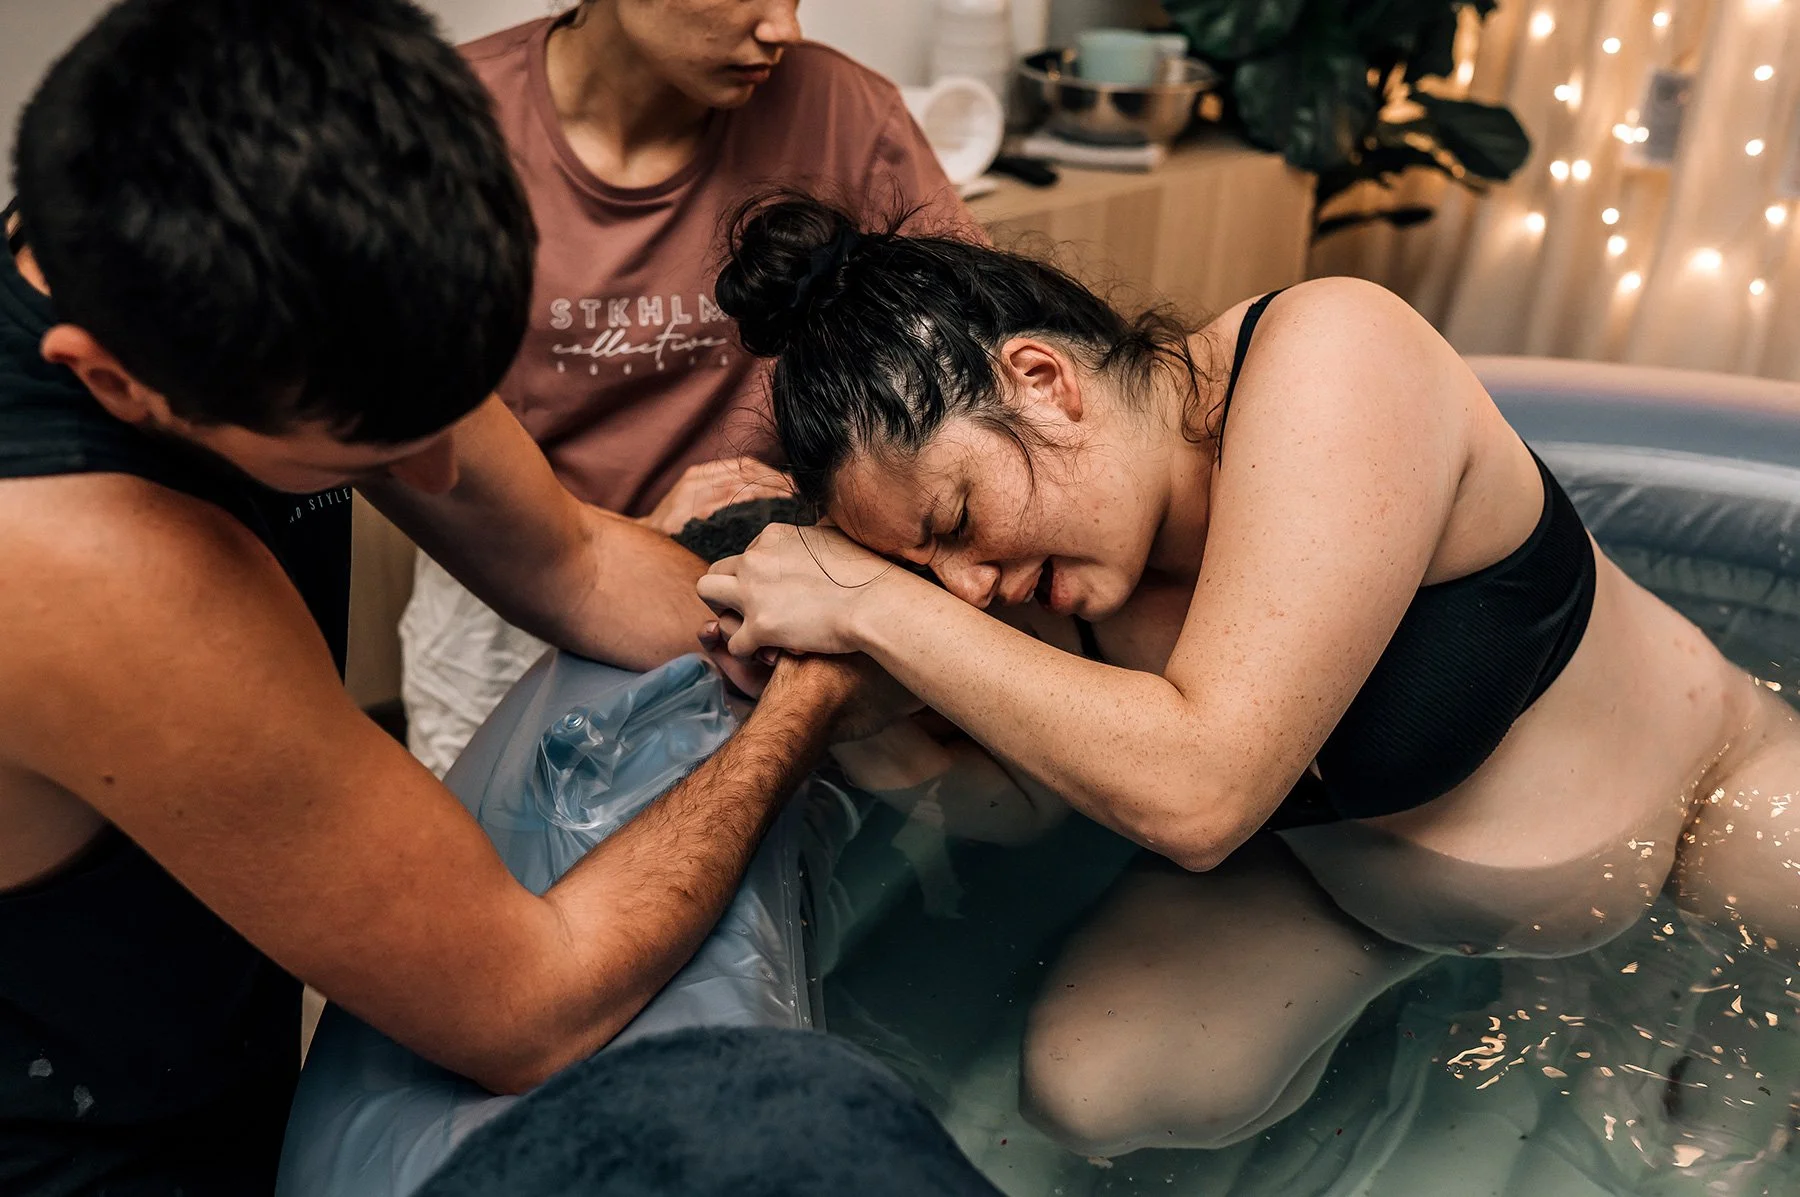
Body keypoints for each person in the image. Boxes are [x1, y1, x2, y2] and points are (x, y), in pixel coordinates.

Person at [0, 7, 926, 1194]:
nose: (434, 477)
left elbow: (573, 563)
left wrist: (867, 614)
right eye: (371, 451)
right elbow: (529, 1004)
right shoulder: (87, 565)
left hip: (206, 985)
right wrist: (799, 715)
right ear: (112, 382)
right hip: (78, 1128)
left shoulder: (269, 261)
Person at [697, 194, 1800, 1157]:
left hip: (1702, 799)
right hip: (1343, 889)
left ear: (1041, 380)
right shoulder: (1056, 562)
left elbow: (1200, 789)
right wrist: (854, 716)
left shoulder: (1333, 355)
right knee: (1087, 1089)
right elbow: (1030, 802)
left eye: (953, 522)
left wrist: (876, 604)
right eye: (926, 564)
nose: (966, 587)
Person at [401, 0, 976, 776]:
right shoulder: (439, 127)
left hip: (766, 567)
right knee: (500, 820)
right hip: (508, 567)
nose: (783, 28)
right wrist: (626, 529)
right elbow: (405, 436)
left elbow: (970, 362)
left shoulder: (846, 114)